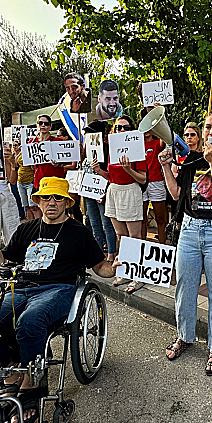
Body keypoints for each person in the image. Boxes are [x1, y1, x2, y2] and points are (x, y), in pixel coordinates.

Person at [0, 176, 119, 423]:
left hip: (59, 289)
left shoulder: (79, 232)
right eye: (46, 198)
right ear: (38, 201)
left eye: (58, 198)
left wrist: (116, 268)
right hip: (22, 287)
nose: (52, 202)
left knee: (30, 321)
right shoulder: (26, 229)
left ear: (67, 203)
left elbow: (100, 267)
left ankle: (33, 382)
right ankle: (11, 374)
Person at [159, 110, 212, 375]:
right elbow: (176, 194)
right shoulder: (191, 158)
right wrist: (165, 167)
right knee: (185, 289)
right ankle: (185, 336)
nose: (211, 132)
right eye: (208, 127)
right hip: (189, 230)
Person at [92, 115, 147, 293]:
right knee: (120, 235)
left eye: (125, 127)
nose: (122, 130)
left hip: (130, 191)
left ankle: (138, 275)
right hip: (114, 191)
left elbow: (143, 178)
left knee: (134, 236)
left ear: (131, 130)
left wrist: (128, 169)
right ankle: (125, 271)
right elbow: (111, 176)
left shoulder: (137, 149)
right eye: (118, 127)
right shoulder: (112, 149)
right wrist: (99, 171)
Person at [82, 121, 117, 260]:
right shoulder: (86, 150)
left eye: (90, 133)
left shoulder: (108, 150)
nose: (87, 135)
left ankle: (111, 252)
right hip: (89, 191)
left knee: (106, 223)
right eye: (86, 133)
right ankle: (98, 251)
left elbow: (111, 175)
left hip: (102, 192)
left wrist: (105, 191)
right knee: (94, 222)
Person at [28, 114, 71, 218]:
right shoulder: (31, 143)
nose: (43, 125)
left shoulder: (58, 141)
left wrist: (59, 164)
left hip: (56, 181)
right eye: (40, 123)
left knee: (57, 209)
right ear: (37, 125)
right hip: (39, 181)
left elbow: (68, 161)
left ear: (50, 127)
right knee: (39, 208)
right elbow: (31, 166)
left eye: (46, 124)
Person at [143, 113, 168, 244]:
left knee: (160, 218)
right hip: (140, 183)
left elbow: (166, 136)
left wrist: (160, 116)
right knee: (141, 219)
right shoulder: (135, 144)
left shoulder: (157, 143)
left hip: (156, 182)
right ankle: (141, 247)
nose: (147, 131)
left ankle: (163, 246)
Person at [13, 139, 36, 220]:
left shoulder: (30, 153)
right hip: (20, 182)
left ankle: (36, 223)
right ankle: (30, 224)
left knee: (33, 206)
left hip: (30, 182)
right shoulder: (20, 153)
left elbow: (33, 168)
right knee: (26, 206)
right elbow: (15, 164)